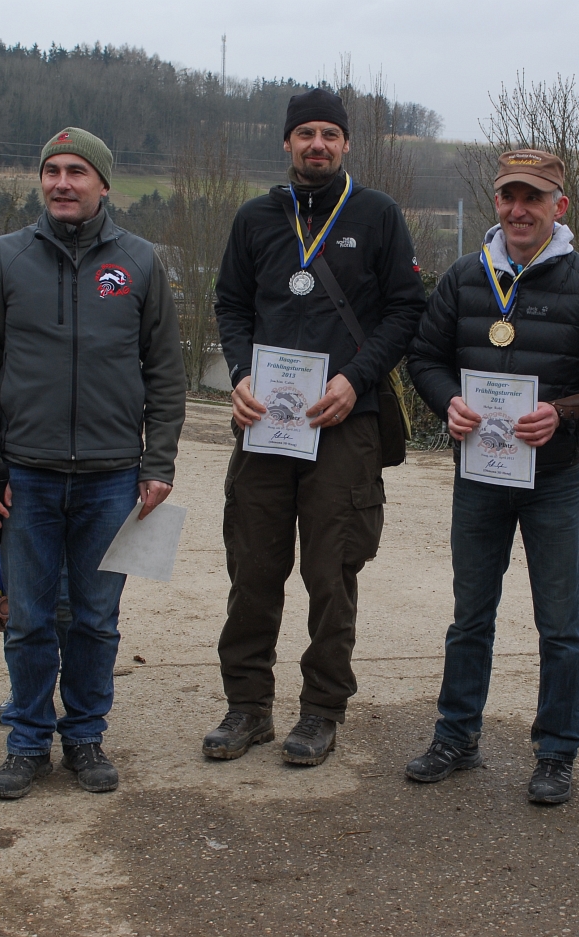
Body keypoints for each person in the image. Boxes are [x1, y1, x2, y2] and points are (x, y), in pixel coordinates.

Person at [402, 149, 579, 804]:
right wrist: (447, 401)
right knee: (469, 616)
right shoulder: (464, 278)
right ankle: (456, 736)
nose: (519, 209)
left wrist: (564, 414)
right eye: (510, 196)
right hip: (480, 474)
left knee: (559, 623)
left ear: (557, 207)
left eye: (533, 198)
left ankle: (557, 752)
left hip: (555, 477)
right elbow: (424, 357)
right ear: (497, 202)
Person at [0, 127, 186, 799]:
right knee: (29, 619)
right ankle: (27, 741)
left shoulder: (140, 263)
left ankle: (85, 736)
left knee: (94, 620)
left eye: (77, 171)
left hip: (112, 478)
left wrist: (158, 461)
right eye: (52, 170)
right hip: (24, 477)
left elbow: (165, 374)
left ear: (103, 184)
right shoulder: (5, 258)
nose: (62, 182)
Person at [204, 88, 426, 767]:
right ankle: (247, 707)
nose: (318, 144)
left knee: (331, 574)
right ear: (287, 143)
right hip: (265, 422)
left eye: (330, 133)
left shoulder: (377, 215)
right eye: (306, 134)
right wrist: (239, 373)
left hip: (344, 423)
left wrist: (356, 378)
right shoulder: (255, 218)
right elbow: (231, 304)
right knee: (253, 569)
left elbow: (406, 310)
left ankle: (322, 711)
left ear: (346, 143)